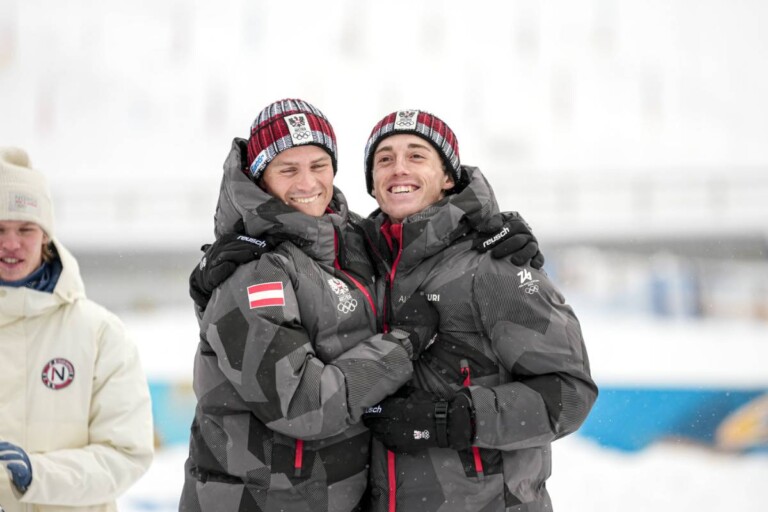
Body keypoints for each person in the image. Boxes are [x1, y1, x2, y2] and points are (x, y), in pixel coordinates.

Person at [179, 99, 423, 512]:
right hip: (259, 500)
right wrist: (404, 345)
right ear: (260, 179)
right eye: (288, 169)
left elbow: (427, 230)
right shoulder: (253, 269)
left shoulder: (351, 240)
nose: (307, 183)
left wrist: (490, 222)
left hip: (328, 494)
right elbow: (303, 405)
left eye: (319, 165)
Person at [358, 110, 598, 511]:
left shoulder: (493, 266)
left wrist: (451, 418)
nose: (399, 169)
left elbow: (569, 393)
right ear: (372, 183)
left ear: (448, 176)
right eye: (385, 159)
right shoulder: (361, 267)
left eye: (416, 156)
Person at [0, 147, 154, 512]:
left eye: (25, 229)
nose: (11, 243)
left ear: (46, 236)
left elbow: (127, 454)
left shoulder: (100, 333)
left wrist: (37, 475)